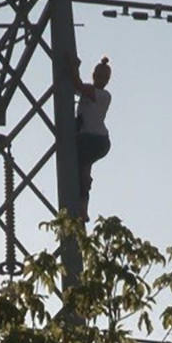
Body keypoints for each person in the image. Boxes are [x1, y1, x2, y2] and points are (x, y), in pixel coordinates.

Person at [66, 54, 112, 222]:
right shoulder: (89, 92)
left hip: (96, 140)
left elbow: (77, 84)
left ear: (107, 80)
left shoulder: (103, 96)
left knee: (82, 169)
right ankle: (83, 207)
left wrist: (73, 67)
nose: (100, 79)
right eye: (98, 75)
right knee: (82, 170)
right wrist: (72, 70)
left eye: (103, 77)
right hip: (88, 139)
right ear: (93, 75)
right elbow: (74, 85)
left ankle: (83, 207)